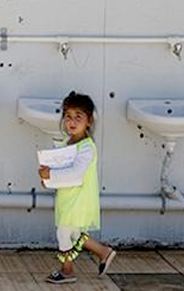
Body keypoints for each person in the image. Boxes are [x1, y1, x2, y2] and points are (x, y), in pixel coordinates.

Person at [38, 91, 117, 284]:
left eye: (78, 117)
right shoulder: (68, 143)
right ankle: (104, 252)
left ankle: (67, 271)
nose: (72, 122)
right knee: (73, 233)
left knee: (64, 232)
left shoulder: (87, 148)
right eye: (68, 117)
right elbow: (61, 169)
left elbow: (74, 173)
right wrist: (48, 180)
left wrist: (51, 175)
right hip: (68, 197)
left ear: (89, 121)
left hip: (79, 199)